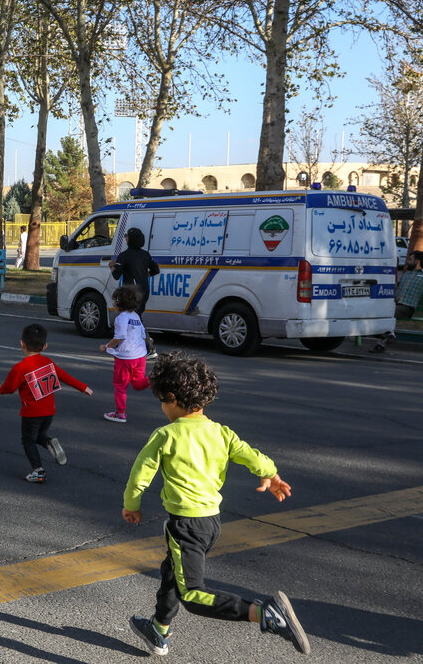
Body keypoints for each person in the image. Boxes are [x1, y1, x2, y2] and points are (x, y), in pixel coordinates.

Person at [123, 351, 309, 657]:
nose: (162, 408)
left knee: (193, 594)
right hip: (211, 524)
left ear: (171, 398)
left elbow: (138, 477)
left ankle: (266, 614)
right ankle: (159, 629)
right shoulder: (221, 432)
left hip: (185, 525)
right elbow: (250, 454)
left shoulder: (165, 435)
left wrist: (131, 505)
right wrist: (271, 473)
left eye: (162, 401)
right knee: (173, 572)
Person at [0, 323, 93, 483]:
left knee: (28, 440)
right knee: (38, 435)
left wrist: (3, 391)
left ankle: (38, 471)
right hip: (49, 411)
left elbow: (9, 387)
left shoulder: (20, 368)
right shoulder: (48, 362)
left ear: (22, 343)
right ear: (45, 346)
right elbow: (65, 376)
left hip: (31, 413)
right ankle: (49, 442)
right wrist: (83, 387)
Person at [100, 285, 151, 423]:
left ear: (119, 303)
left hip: (125, 358)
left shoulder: (120, 318)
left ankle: (120, 413)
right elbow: (143, 335)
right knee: (138, 383)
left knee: (120, 387)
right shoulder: (136, 316)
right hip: (140, 356)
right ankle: (155, 379)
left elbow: (120, 337)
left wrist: (106, 346)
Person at [110, 226, 161, 357]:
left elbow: (116, 275)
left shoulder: (124, 256)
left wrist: (112, 266)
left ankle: (150, 348)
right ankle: (132, 345)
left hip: (130, 293)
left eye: (127, 236)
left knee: (136, 319)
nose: (125, 238)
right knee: (135, 318)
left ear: (131, 239)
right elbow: (156, 270)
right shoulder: (145, 254)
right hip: (144, 291)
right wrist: (144, 276)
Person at [371, 250, 423, 353]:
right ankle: (384, 340)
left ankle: (388, 335)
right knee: (375, 313)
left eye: (410, 259)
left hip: (407, 307)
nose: (407, 261)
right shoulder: (407, 273)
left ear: (417, 262)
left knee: (387, 314)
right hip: (395, 304)